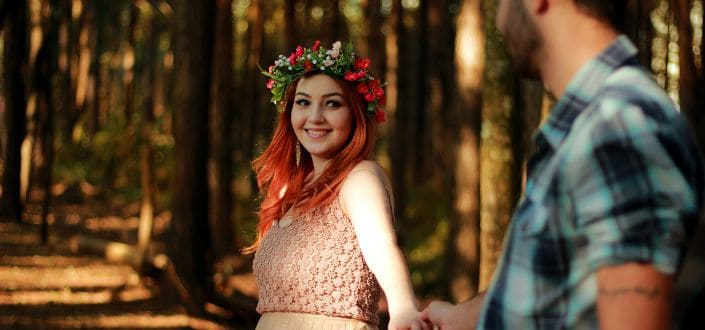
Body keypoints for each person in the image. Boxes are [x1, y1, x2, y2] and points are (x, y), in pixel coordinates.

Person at [420, 0, 705, 329]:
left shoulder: (617, 128)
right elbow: (565, 289)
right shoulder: (595, 126)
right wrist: (465, 318)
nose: (499, 18)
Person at [246, 40, 428, 330]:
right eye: (303, 102)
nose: (315, 117)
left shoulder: (360, 178)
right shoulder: (287, 189)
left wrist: (403, 307)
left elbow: (381, 244)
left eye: (332, 103)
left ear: (355, 114)